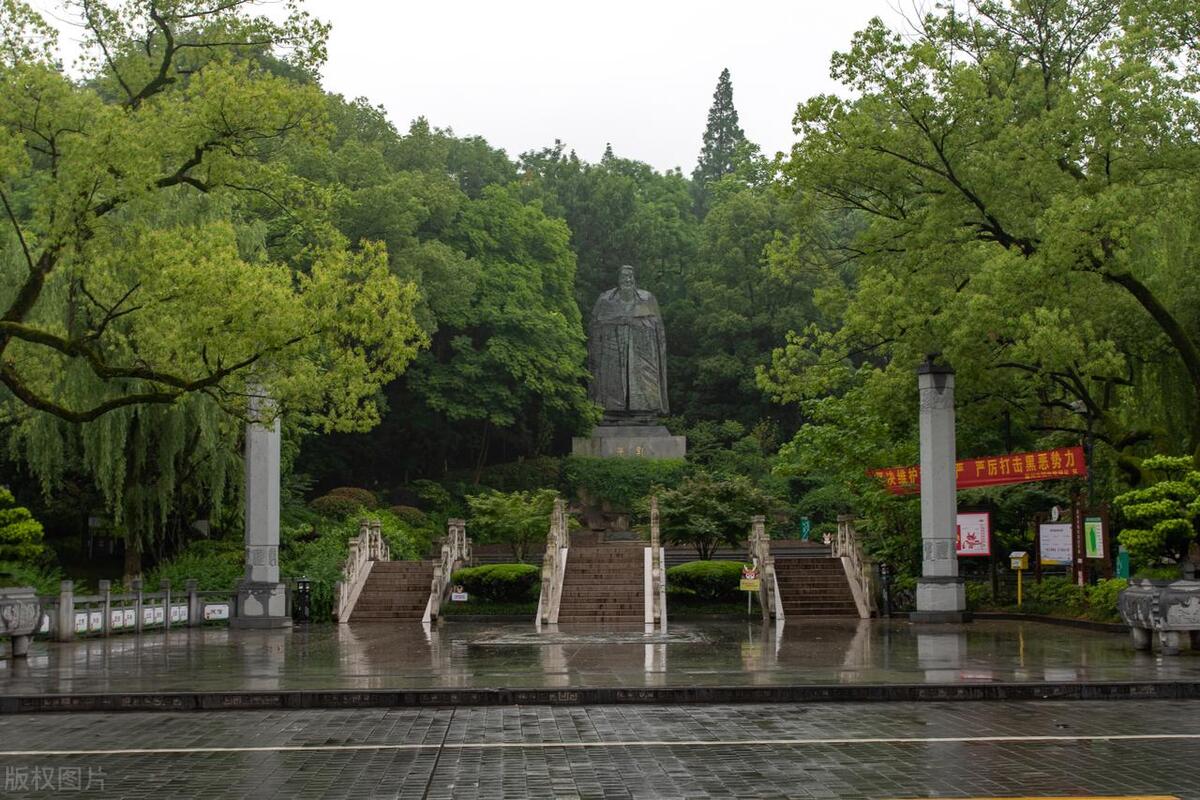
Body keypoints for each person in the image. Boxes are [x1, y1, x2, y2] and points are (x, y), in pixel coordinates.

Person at [587, 265, 669, 422]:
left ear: (635, 279)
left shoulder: (647, 298)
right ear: (618, 279)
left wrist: (634, 323)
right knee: (612, 382)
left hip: (641, 353)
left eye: (630, 276)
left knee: (643, 382)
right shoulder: (605, 300)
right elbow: (594, 327)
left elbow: (658, 328)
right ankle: (611, 412)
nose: (628, 279)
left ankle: (644, 411)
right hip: (612, 352)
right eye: (624, 276)